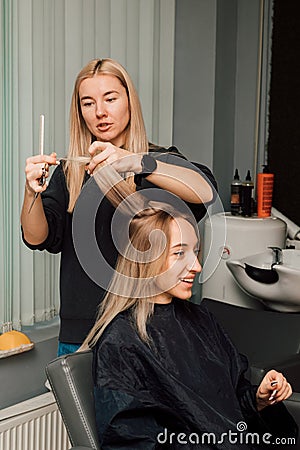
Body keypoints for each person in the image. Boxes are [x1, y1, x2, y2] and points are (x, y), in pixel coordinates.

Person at [81, 168, 297, 449]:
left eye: (195, 252)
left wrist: (258, 397)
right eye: (179, 253)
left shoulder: (201, 319)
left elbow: (229, 401)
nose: (195, 266)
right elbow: (134, 440)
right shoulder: (121, 343)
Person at [20, 58, 217, 356]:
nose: (100, 112)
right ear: (79, 112)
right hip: (82, 333)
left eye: (110, 99)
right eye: (88, 103)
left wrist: (137, 161)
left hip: (149, 328)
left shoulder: (157, 162)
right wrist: (31, 191)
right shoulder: (70, 173)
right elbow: (36, 237)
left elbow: (205, 191)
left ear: (129, 102)